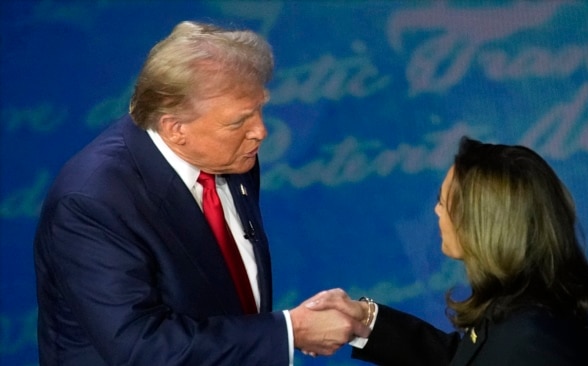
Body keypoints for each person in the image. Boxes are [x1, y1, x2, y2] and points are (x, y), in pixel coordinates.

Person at [33, 20, 366, 366]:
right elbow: (140, 346)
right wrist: (288, 332)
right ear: (175, 129)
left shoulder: (233, 156)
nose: (261, 131)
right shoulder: (92, 201)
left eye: (260, 109)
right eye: (239, 121)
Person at [307, 137, 588, 365]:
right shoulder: (521, 303)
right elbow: (466, 360)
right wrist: (365, 318)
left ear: (482, 224)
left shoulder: (535, 342)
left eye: (443, 203)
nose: (436, 211)